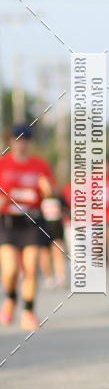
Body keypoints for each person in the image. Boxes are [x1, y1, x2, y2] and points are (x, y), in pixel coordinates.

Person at [0, 125, 54, 329]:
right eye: (17, 139)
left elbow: (50, 192)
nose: (21, 143)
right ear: (11, 141)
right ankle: (11, 298)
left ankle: (28, 311)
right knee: (10, 270)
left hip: (31, 221)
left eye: (26, 139)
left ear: (30, 142)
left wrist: (47, 190)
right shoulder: (2, 164)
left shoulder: (40, 165)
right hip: (7, 222)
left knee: (31, 268)